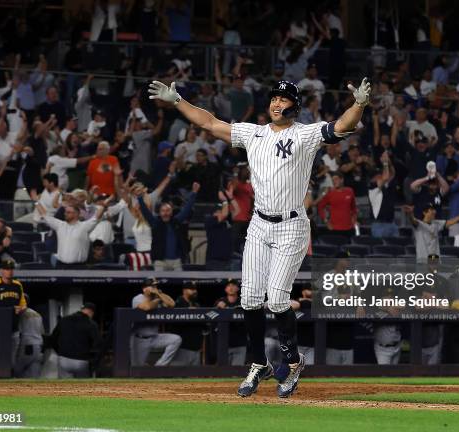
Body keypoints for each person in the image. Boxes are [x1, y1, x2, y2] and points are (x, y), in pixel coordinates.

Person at [148, 73, 371, 397]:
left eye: (283, 99)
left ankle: (293, 362)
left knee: (278, 299)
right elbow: (210, 123)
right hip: (259, 224)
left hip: (292, 225)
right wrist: (178, 101)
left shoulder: (305, 134)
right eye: (274, 98)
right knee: (250, 299)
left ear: (293, 106)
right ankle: (259, 363)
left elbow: (340, 126)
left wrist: (360, 104)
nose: (277, 103)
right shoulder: (253, 133)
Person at [135, 182, 199, 271]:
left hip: (177, 261)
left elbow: (187, 209)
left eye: (168, 210)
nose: (165, 213)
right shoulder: (155, 223)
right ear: (159, 213)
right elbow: (146, 213)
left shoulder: (176, 221)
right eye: (163, 211)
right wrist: (139, 198)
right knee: (159, 284)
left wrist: (194, 193)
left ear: (171, 212)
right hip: (160, 261)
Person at [0, 260, 27, 370]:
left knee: (12, 359)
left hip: (14, 328)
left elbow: (24, 305)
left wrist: (20, 309)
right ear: (1, 270)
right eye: (7, 269)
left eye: (11, 269)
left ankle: (10, 382)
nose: (9, 271)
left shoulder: (18, 285)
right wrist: (11, 309)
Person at [35, 202, 104, 267]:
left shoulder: (85, 226)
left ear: (76, 214)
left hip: (79, 267)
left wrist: (103, 206)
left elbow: (97, 217)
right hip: (60, 265)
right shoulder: (59, 225)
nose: (65, 214)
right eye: (65, 212)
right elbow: (45, 215)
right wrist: (36, 202)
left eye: (68, 212)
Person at [131, 278, 181, 366]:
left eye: (155, 286)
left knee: (176, 339)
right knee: (137, 369)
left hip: (155, 338)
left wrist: (160, 294)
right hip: (140, 339)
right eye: (152, 286)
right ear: (144, 288)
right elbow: (146, 307)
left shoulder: (158, 296)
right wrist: (154, 298)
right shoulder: (138, 298)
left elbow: (172, 304)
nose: (154, 288)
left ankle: (159, 366)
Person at [50, 303, 101, 378]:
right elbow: (97, 344)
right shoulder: (91, 324)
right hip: (82, 361)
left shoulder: (64, 320)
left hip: (64, 359)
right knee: (81, 388)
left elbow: (53, 339)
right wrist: (92, 359)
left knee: (65, 388)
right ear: (91, 312)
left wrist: (60, 352)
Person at [214, 280, 247, 365]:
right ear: (225, 289)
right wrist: (217, 307)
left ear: (238, 288)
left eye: (233, 285)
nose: (231, 287)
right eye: (228, 285)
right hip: (224, 344)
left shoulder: (243, 302)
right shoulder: (220, 302)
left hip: (240, 342)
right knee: (222, 372)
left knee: (237, 372)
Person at [317, 172, 357, 241]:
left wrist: (354, 219)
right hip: (334, 229)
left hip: (349, 228)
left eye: (336, 179)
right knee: (335, 251)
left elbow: (354, 208)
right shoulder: (329, 193)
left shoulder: (350, 191)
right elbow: (320, 207)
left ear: (342, 180)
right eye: (333, 180)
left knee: (348, 251)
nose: (334, 181)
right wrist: (326, 221)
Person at [171, 282, 203, 365]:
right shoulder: (177, 304)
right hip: (182, 348)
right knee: (178, 375)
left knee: (195, 376)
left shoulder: (196, 305)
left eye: (195, 289)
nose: (194, 291)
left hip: (196, 348)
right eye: (192, 289)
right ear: (184, 291)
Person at [14, 294, 45, 378]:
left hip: (26, 346)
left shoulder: (20, 314)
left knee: (14, 372)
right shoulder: (37, 314)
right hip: (39, 347)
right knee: (33, 377)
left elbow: (18, 333)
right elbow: (42, 332)